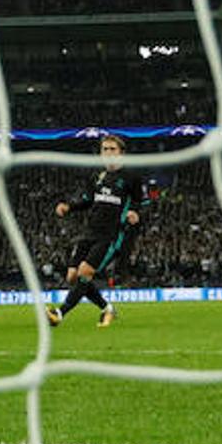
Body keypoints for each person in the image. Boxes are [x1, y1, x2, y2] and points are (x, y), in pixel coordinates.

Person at [47, 134, 148, 329]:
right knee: (72, 277)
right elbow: (87, 200)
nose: (108, 153)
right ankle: (107, 308)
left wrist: (135, 212)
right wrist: (69, 207)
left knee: (85, 272)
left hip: (110, 235)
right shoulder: (97, 177)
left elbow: (140, 201)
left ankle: (59, 313)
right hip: (89, 232)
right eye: (105, 149)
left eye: (112, 149)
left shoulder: (131, 177)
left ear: (121, 153)